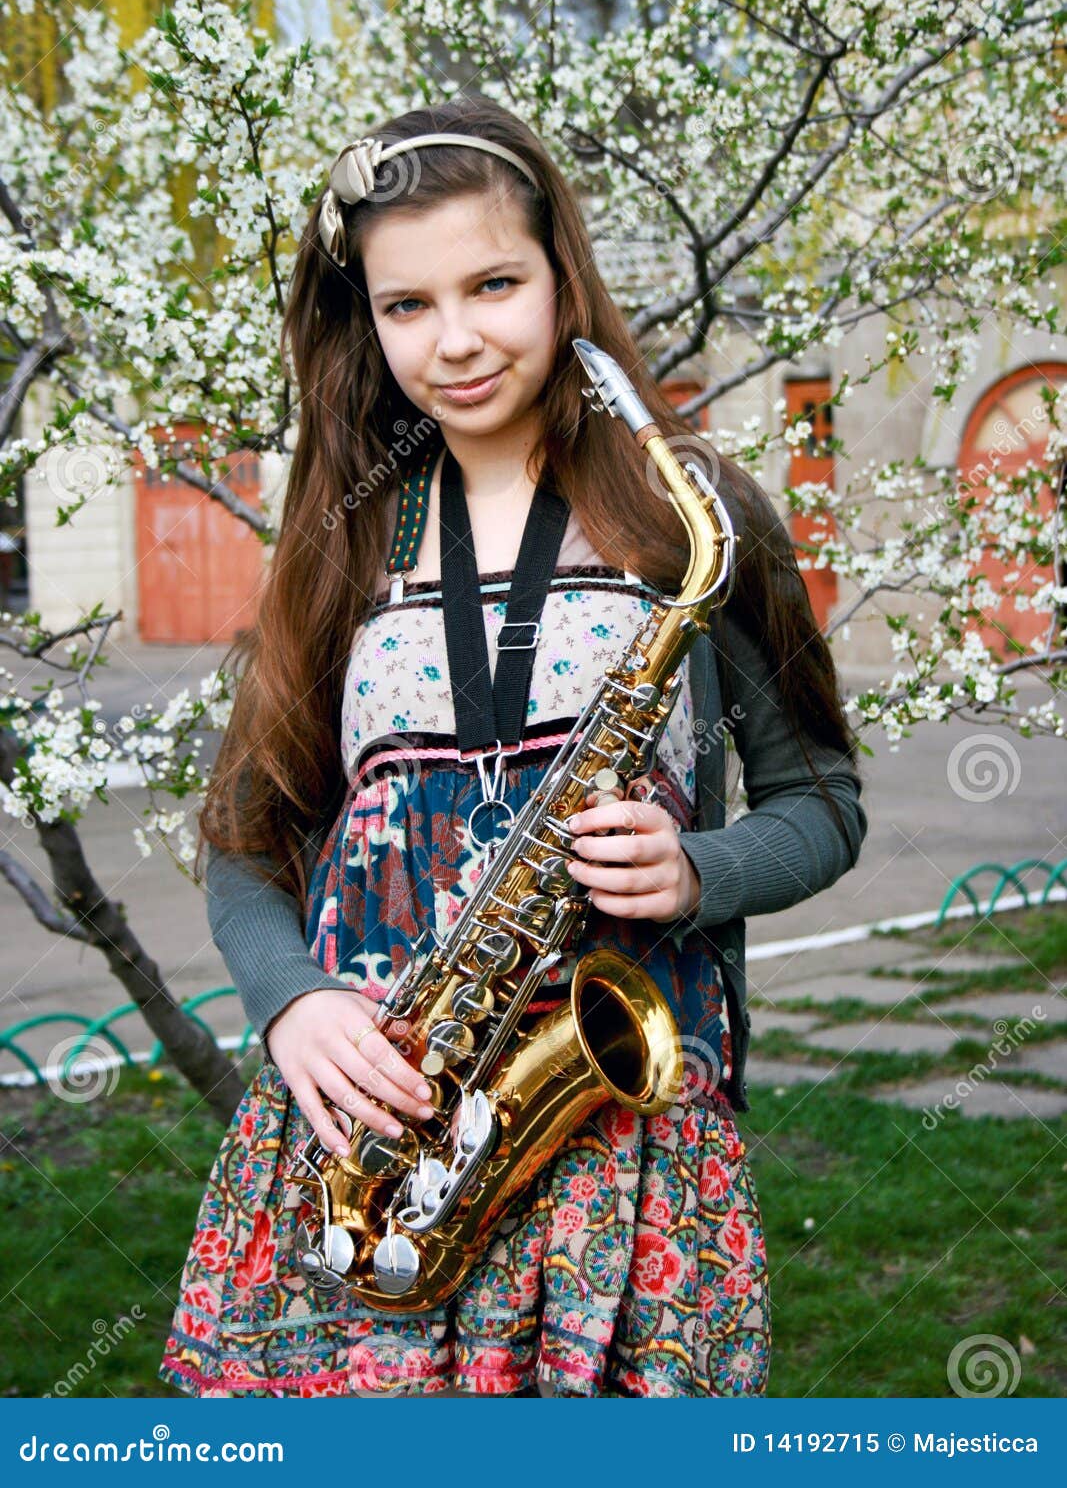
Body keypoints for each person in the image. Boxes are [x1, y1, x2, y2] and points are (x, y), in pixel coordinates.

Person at [158, 94, 867, 1399]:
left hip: (612, 1123)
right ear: (362, 320)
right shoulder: (343, 537)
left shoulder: (698, 516)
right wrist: (293, 1002)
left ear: (564, 276)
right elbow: (245, 846)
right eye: (407, 304)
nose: (459, 339)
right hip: (371, 1125)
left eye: (496, 282)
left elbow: (824, 801)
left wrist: (701, 868)